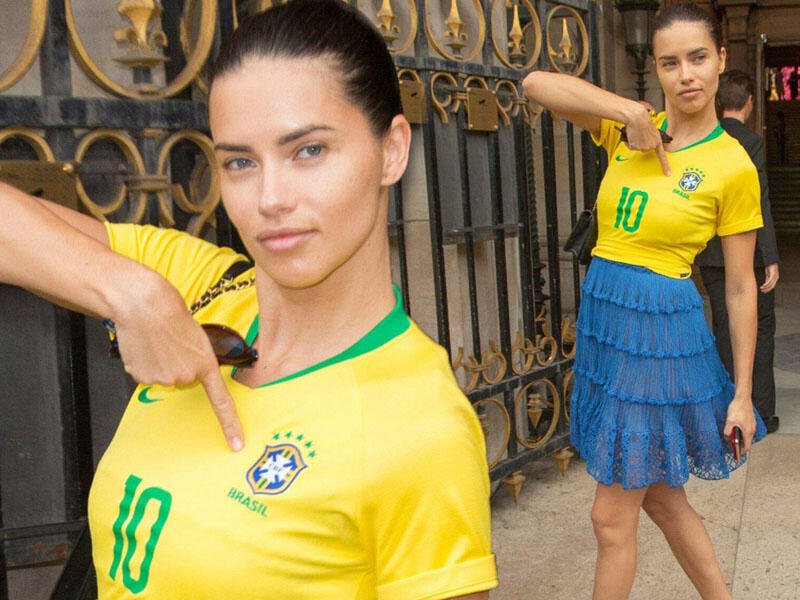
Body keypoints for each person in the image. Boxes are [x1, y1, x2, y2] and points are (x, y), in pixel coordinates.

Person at [0, 2, 498, 598]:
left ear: (391, 150)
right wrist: (128, 289)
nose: (269, 198)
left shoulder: (421, 426)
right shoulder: (200, 287)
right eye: (240, 162)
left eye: (308, 150)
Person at [523, 3, 766, 599]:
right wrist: (627, 111)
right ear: (656, 69)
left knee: (610, 518)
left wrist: (742, 394)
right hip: (609, 325)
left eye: (698, 58)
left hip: (658, 336)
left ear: (721, 60)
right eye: (670, 62)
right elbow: (535, 84)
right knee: (660, 497)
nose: (686, 75)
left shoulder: (732, 165)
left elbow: (739, 286)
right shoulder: (630, 130)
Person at [697, 69, 781, 434]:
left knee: (722, 326)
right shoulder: (750, 141)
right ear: (750, 102)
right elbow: (759, 201)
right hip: (749, 253)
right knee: (759, 327)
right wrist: (770, 256)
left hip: (712, 253)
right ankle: (761, 411)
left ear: (718, 101)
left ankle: (724, 408)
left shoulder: (704, 140)